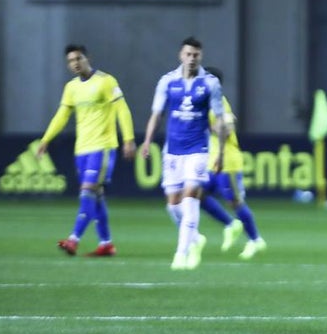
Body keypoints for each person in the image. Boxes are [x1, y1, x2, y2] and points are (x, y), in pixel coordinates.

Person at [37, 44, 136, 257]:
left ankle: (74, 239)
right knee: (96, 196)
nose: (75, 63)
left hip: (103, 147)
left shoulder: (106, 81)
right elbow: (61, 116)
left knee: (87, 191)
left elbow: (122, 109)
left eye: (78, 58)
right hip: (82, 149)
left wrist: (128, 139)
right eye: (71, 61)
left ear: (86, 58)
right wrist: (46, 139)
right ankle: (106, 244)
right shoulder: (71, 88)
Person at [139, 37, 226, 270]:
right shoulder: (167, 81)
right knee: (173, 205)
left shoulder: (210, 83)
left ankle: (181, 254)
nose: (191, 58)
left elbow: (219, 119)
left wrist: (221, 151)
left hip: (198, 148)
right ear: (181, 55)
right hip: (173, 150)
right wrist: (147, 141)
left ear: (201, 56)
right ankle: (196, 238)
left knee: (190, 199)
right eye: (188, 54)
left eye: (196, 55)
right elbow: (157, 114)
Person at [195, 67, 267, 259]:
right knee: (198, 194)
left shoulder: (219, 102)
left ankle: (255, 240)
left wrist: (210, 126)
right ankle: (230, 224)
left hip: (228, 161)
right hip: (213, 161)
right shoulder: (205, 103)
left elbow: (226, 129)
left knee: (235, 202)